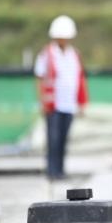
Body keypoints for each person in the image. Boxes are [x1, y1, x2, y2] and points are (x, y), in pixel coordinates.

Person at [34, 15, 87, 180]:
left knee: (64, 139)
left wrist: (81, 102)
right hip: (53, 104)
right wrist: (42, 100)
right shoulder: (47, 54)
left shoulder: (74, 55)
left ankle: (61, 171)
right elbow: (40, 77)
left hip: (69, 104)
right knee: (53, 139)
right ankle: (52, 170)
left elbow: (79, 79)